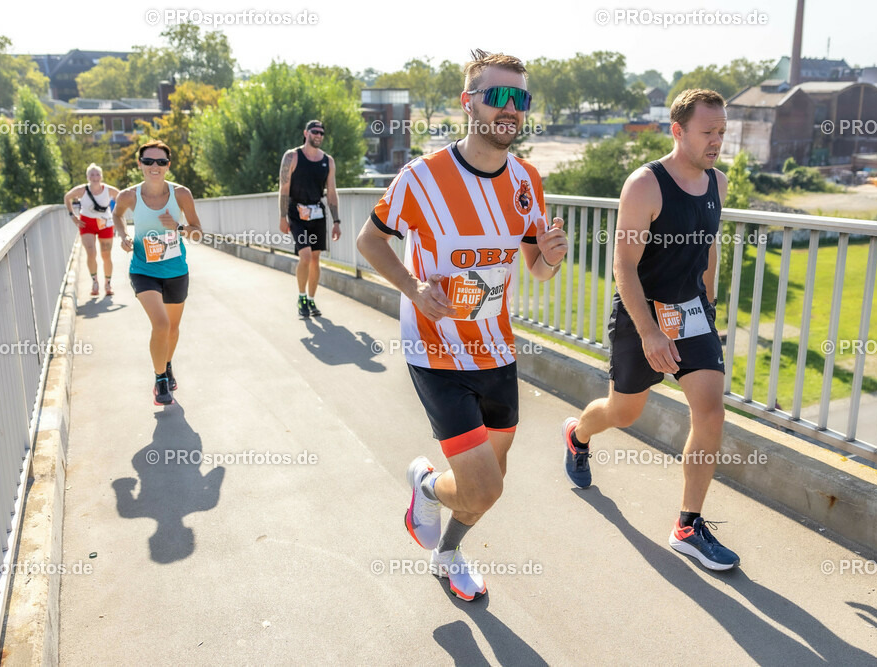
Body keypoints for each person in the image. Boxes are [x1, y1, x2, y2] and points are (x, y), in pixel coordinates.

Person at [357, 50, 567, 601]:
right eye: (496, 96)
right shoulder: (420, 179)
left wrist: (551, 255)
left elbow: (538, 270)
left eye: (519, 99)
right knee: (482, 484)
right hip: (437, 350)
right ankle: (426, 484)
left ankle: (446, 551)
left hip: (497, 350)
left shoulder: (526, 180)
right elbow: (368, 241)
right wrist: (411, 287)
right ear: (467, 102)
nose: (509, 109)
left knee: (485, 491)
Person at [561, 89, 738, 571]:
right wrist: (649, 332)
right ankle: (577, 435)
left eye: (722, 131)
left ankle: (689, 525)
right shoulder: (645, 185)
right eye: (708, 132)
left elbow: (708, 248)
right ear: (677, 131)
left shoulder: (718, 184)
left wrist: (710, 303)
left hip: (693, 312)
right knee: (624, 411)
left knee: (711, 412)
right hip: (644, 311)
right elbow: (623, 264)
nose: (717, 141)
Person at [113, 140, 202, 406]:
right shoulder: (129, 195)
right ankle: (160, 377)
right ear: (140, 164)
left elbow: (198, 232)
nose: (155, 166)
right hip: (143, 270)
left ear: (168, 166)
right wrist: (123, 235)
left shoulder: (181, 194)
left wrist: (179, 227)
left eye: (161, 162)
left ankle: (167, 362)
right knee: (161, 324)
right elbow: (117, 216)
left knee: (173, 329)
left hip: (175, 270)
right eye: (149, 161)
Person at [278, 119, 341, 318]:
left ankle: (312, 300)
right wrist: (282, 217)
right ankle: (302, 297)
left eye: (322, 133)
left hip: (317, 214)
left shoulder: (328, 161)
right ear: (306, 133)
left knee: (315, 259)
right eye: (315, 132)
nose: (318, 135)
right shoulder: (292, 157)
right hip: (296, 212)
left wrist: (336, 221)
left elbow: (331, 192)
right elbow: (284, 188)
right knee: (304, 256)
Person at [64, 163, 120, 296]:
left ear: (101, 176)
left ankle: (108, 283)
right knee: (91, 253)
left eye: (97, 174)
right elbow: (67, 197)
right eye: (92, 174)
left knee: (106, 254)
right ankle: (95, 282)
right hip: (86, 223)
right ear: (87, 177)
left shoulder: (109, 190)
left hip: (105, 223)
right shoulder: (82, 190)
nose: (95, 177)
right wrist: (73, 215)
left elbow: (122, 198)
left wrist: (117, 214)